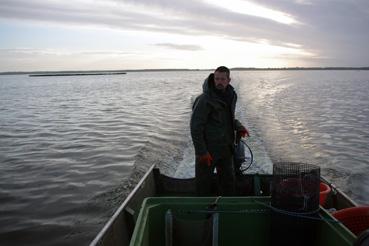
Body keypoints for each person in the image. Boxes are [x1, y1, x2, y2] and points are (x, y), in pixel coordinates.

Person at [190, 66, 249, 196]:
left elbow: (228, 119)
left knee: (228, 183)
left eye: (222, 79)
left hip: (226, 149)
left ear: (229, 80)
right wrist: (202, 152)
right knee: (203, 185)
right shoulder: (204, 100)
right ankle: (204, 212)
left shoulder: (231, 95)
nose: (219, 82)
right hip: (208, 151)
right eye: (217, 78)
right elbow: (195, 128)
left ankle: (226, 210)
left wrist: (239, 127)